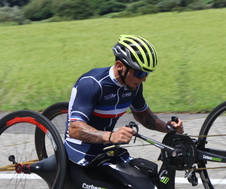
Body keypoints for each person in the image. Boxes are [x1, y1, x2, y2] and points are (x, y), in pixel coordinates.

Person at [64, 35, 183, 181]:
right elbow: (74, 129)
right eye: (139, 73)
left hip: (107, 150)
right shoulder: (92, 84)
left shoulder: (134, 85)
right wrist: (111, 136)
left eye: (146, 74)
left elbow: (144, 116)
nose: (143, 79)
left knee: (150, 181)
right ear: (120, 66)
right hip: (80, 151)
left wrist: (168, 128)